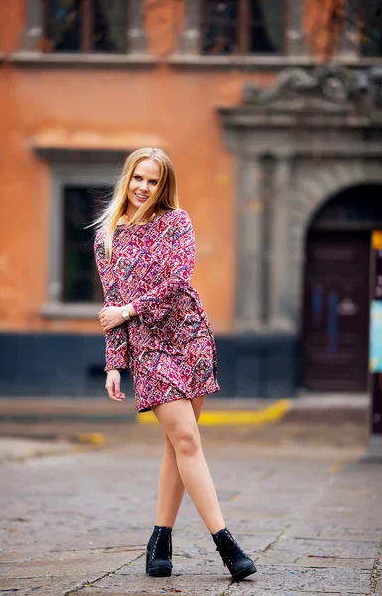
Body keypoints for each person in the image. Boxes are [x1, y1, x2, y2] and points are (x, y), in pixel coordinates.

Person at [93, 147, 257, 582]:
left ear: (164, 186)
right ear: (126, 179)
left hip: (189, 338)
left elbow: (177, 281)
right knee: (186, 439)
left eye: (153, 181)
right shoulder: (108, 237)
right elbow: (111, 306)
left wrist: (128, 310)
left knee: (178, 445)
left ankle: (160, 538)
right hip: (149, 349)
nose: (143, 188)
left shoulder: (176, 223)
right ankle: (226, 544)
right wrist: (115, 363)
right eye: (138, 179)